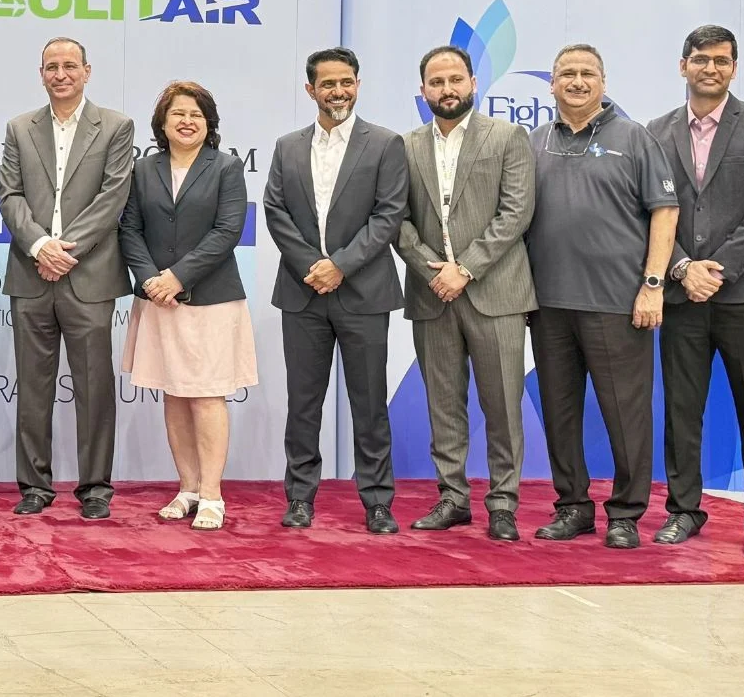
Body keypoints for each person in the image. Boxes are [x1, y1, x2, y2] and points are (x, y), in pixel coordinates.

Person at [526, 44, 678, 550]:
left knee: (626, 415)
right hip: (548, 305)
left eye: (587, 73)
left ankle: (626, 514)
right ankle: (572, 506)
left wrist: (653, 284)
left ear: (603, 82)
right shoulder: (534, 142)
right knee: (559, 412)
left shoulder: (634, 138)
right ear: (551, 84)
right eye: (567, 73)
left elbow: (665, 211)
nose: (577, 81)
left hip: (617, 303)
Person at [646, 25, 744, 559]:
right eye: (701, 59)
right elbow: (648, 211)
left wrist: (717, 271)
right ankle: (683, 510)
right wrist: (684, 268)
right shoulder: (656, 132)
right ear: (682, 65)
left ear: (734, 68)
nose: (711, 69)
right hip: (682, 295)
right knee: (682, 411)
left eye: (722, 61)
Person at [263, 47, 406, 535]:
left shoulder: (385, 144)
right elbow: (275, 211)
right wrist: (313, 266)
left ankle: (378, 501)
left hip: (364, 293)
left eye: (346, 82)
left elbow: (388, 215)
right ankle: (300, 497)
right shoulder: (287, 146)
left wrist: (340, 266)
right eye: (328, 84)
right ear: (311, 90)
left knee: (369, 403)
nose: (338, 91)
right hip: (302, 292)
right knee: (304, 403)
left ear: (358, 85)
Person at [395, 46, 535, 543]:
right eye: (436, 82)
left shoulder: (508, 137)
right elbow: (397, 219)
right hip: (432, 293)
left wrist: (467, 269)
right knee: (443, 405)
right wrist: (432, 269)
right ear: (423, 91)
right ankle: (452, 498)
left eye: (455, 79)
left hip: (496, 293)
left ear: (473, 83)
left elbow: (516, 213)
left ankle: (503, 503)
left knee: (503, 406)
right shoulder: (404, 146)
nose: (447, 89)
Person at [0, 37, 135, 520]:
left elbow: (112, 197)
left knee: (94, 388)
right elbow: (10, 196)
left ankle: (95, 488)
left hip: (89, 277)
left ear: (87, 71)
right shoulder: (19, 128)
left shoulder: (116, 126)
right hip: (31, 274)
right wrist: (40, 246)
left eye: (70, 66)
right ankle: (34, 487)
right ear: (41, 74)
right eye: (51, 67)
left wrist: (63, 251)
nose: (61, 74)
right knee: (33, 388)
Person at [118, 81, 255, 532]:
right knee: (174, 393)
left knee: (207, 395)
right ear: (162, 122)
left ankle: (212, 494)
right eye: (178, 113)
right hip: (159, 300)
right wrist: (150, 280)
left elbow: (228, 231)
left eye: (196, 114)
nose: (187, 121)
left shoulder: (227, 167)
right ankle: (188, 488)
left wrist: (177, 277)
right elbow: (129, 229)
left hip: (210, 300)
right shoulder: (144, 169)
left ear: (209, 123)